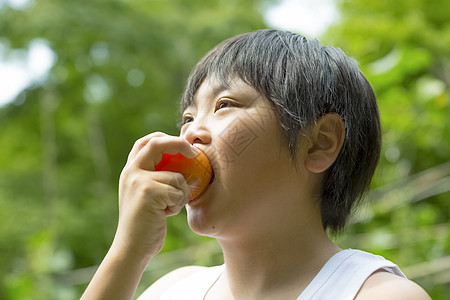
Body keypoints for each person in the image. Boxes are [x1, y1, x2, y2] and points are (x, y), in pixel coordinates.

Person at [82, 29, 431, 299]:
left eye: (224, 104)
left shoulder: (376, 294)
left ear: (319, 143)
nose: (190, 134)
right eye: (188, 118)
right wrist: (128, 251)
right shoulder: (171, 290)